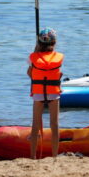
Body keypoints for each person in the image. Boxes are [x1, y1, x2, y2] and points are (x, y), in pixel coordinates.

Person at [28, 29, 62, 160]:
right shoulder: (58, 57)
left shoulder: (34, 57)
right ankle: (54, 156)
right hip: (53, 93)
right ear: (54, 42)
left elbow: (29, 73)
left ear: (39, 43)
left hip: (38, 94)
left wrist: (36, 49)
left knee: (36, 124)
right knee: (55, 124)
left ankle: (33, 155)